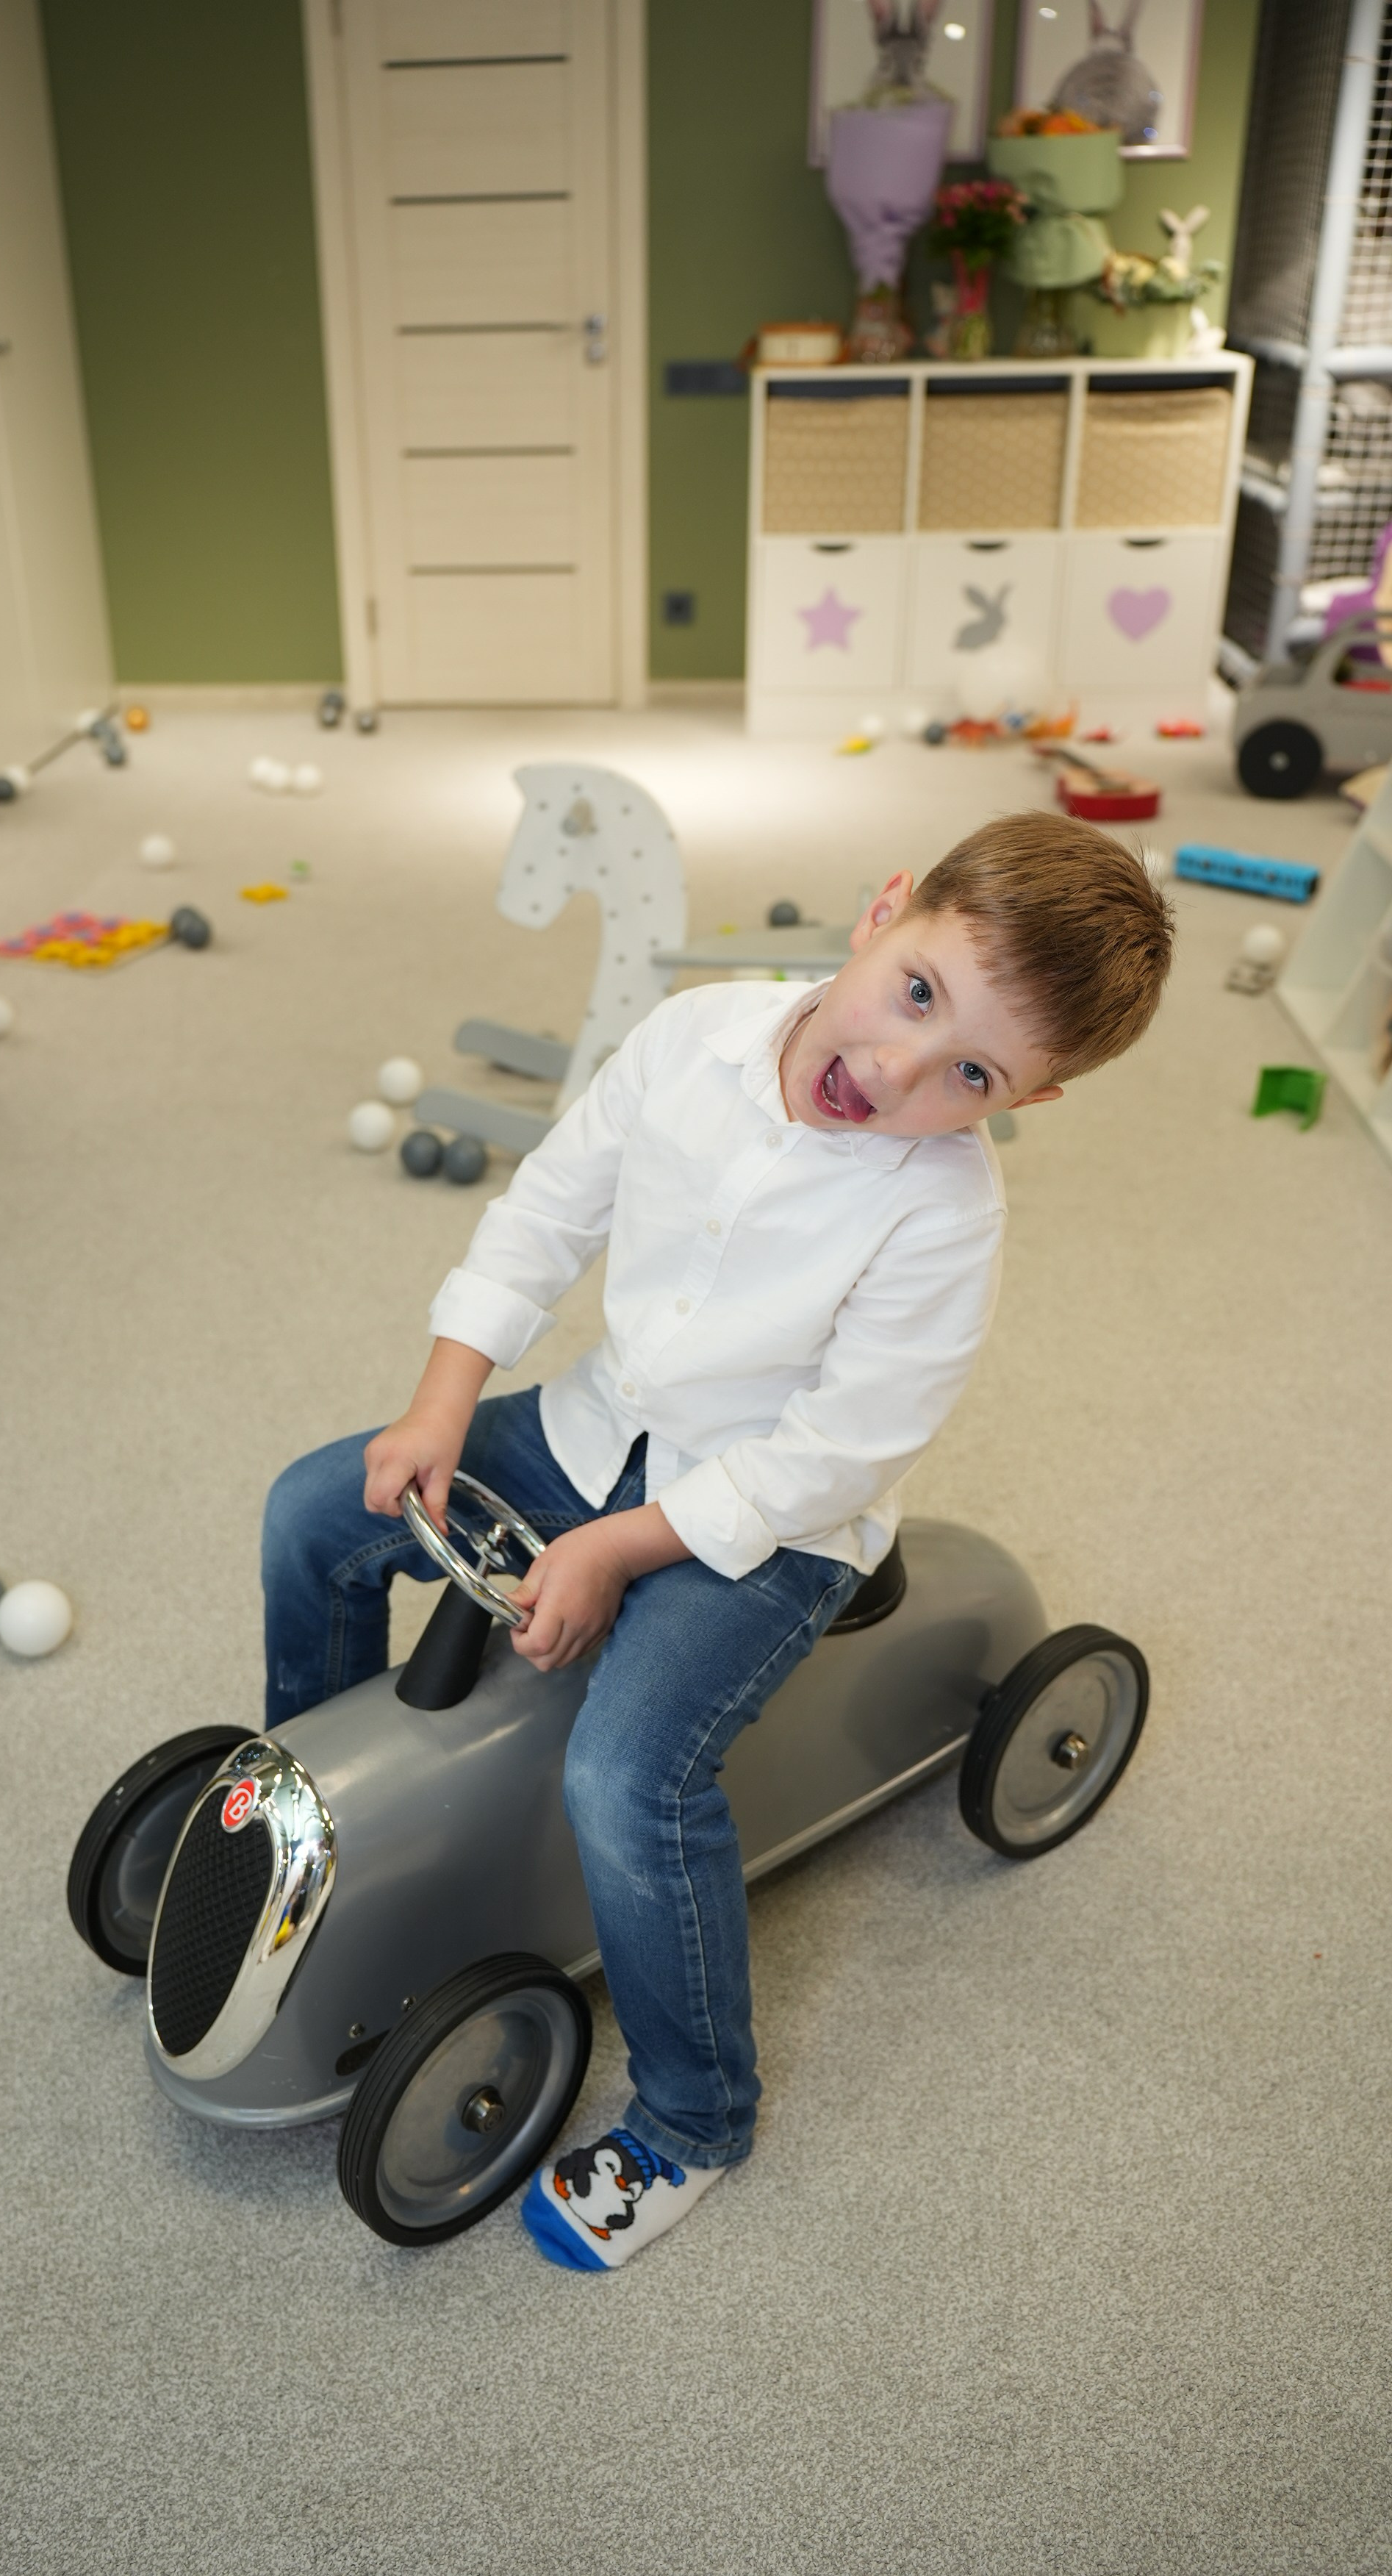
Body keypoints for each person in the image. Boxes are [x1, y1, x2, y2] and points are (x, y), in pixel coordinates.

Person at [262, 812, 1174, 2271]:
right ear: (886, 909)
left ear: (1031, 1100)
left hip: (770, 1527)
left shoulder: (943, 1217)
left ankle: (694, 2119)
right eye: (919, 994)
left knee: (625, 1777)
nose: (895, 1071)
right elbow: (545, 1217)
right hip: (588, 1425)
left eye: (973, 1076)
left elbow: (839, 1450)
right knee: (317, 1510)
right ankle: (320, 1842)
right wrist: (442, 1403)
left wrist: (620, 1550)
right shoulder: (688, 1041)